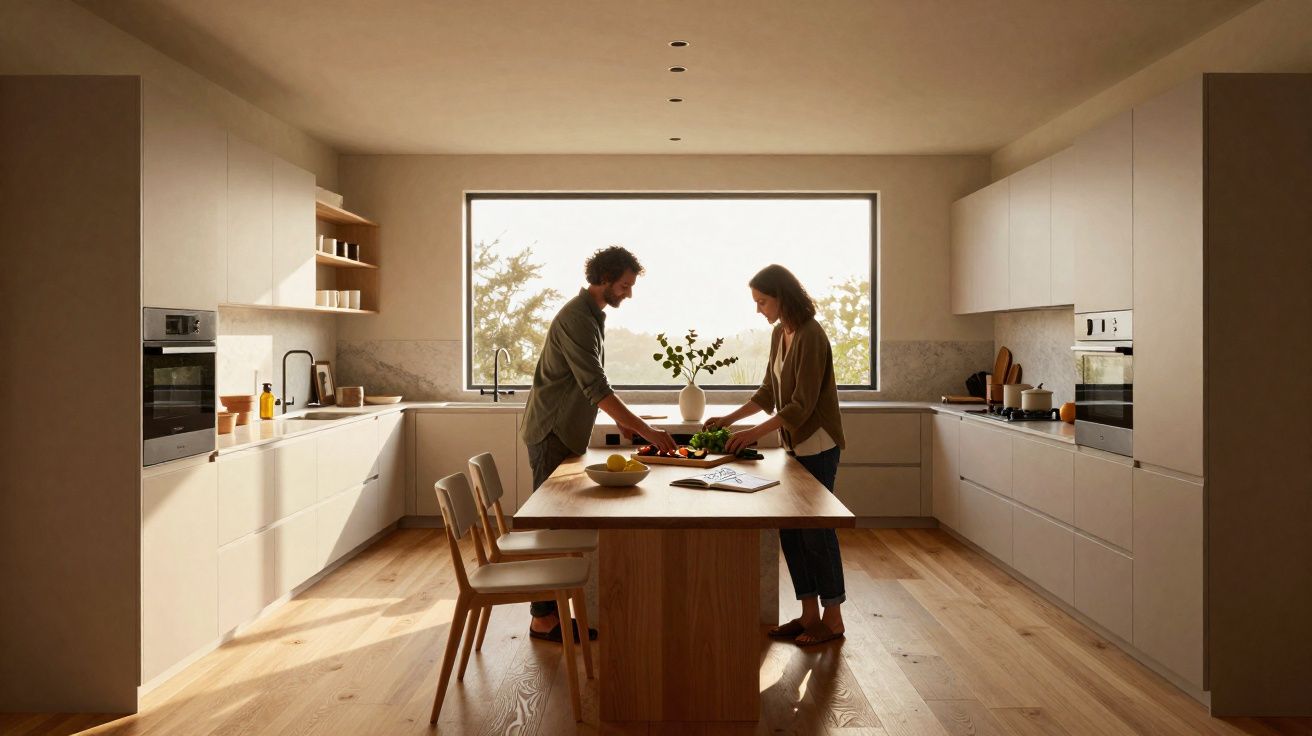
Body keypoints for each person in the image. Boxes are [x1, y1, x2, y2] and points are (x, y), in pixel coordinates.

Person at [520, 245, 678, 643]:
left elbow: (590, 384)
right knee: (551, 526)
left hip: (563, 431)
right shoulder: (578, 318)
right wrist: (642, 429)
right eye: (625, 285)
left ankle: (554, 613)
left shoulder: (591, 317)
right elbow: (595, 385)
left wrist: (625, 425)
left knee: (561, 525)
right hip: (551, 431)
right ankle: (543, 618)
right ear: (605, 279)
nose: (628, 293)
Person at [705, 264, 847, 646]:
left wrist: (751, 433)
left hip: (816, 444)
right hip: (793, 446)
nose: (759, 309)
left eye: (762, 301)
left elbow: (800, 407)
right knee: (791, 530)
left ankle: (833, 619)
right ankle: (807, 615)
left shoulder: (811, 336)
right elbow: (769, 391)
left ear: (783, 296)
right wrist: (728, 419)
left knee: (817, 532)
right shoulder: (779, 334)